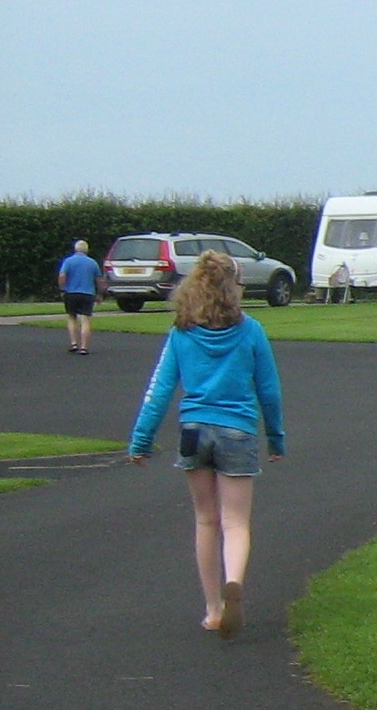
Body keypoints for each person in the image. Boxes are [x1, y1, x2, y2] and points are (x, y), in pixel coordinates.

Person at [126, 249, 287, 636]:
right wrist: (276, 437)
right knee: (236, 523)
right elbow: (269, 390)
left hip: (194, 429)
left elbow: (160, 390)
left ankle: (213, 608)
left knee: (205, 519)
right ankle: (235, 582)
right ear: (234, 288)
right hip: (238, 430)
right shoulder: (252, 330)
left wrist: (141, 440)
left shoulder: (181, 332)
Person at [56, 239, 101, 355]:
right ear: (87, 250)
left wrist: (62, 288)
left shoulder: (68, 261)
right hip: (88, 293)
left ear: (75, 249)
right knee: (85, 319)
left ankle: (74, 343)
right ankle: (84, 347)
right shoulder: (92, 262)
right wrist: (100, 294)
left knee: (72, 317)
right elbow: (99, 280)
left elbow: (62, 276)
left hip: (71, 293)